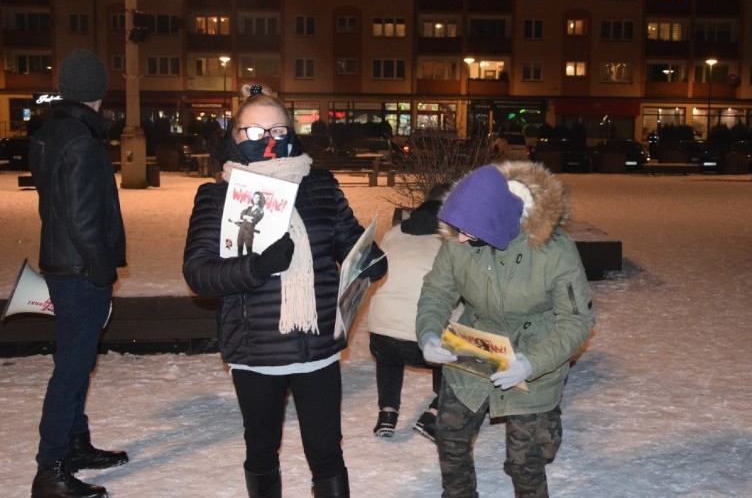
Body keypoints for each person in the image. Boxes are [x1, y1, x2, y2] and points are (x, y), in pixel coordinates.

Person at [183, 84, 387, 498]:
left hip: (317, 349)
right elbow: (199, 274)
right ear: (234, 135)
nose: (268, 141)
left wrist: (369, 258)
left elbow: (347, 241)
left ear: (292, 132)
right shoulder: (218, 196)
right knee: (261, 452)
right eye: (255, 133)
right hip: (255, 353)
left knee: (327, 453)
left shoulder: (320, 185)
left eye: (277, 131)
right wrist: (256, 267)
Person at [416, 162, 596, 497]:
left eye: (469, 230)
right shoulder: (460, 240)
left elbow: (577, 320)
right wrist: (428, 332)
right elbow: (437, 292)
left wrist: (531, 364)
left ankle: (544, 424)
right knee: (450, 432)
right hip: (478, 341)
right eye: (458, 228)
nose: (459, 237)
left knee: (525, 460)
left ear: (497, 222)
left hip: (535, 347)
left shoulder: (555, 251)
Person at [28, 49, 129, 498]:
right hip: (80, 269)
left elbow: (53, 206)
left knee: (77, 362)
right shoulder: (83, 143)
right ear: (99, 93)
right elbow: (86, 219)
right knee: (72, 368)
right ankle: (51, 468)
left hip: (60, 262)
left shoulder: (51, 133)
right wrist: (102, 270)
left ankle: (74, 444)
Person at [367, 182, 451, 442]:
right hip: (426, 343)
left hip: (382, 337)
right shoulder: (453, 240)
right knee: (450, 329)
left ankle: (387, 413)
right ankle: (435, 413)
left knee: (392, 335)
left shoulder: (393, 233)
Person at [236, 191, 266, 256]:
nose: (255, 199)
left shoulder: (261, 211)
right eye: (254, 197)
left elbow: (254, 221)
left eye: (258, 198)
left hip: (249, 231)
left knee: (249, 250)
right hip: (241, 229)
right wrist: (248, 217)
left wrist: (245, 217)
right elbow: (241, 215)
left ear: (259, 199)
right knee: (239, 249)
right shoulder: (249, 208)